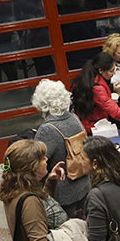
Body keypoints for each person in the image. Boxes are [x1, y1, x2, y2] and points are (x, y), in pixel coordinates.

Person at [32, 78, 91, 218]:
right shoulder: (74, 118)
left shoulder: (47, 130)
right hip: (83, 183)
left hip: (63, 193)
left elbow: (36, 163)